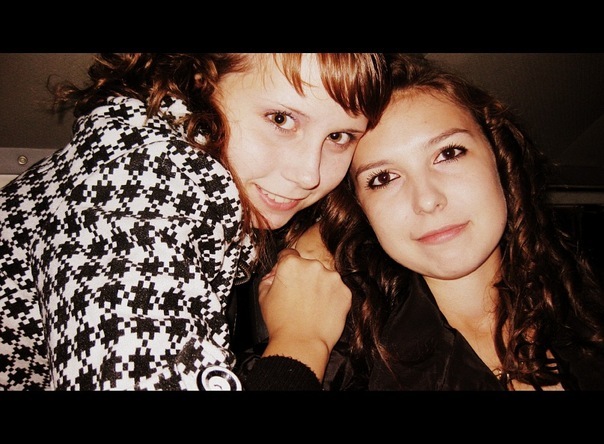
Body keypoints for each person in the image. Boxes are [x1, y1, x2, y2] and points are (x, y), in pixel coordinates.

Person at [0, 53, 391, 390]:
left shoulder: (157, 154)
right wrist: (303, 340)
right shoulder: (143, 179)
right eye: (280, 118)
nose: (309, 175)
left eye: (339, 136)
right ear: (202, 80)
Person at [245, 53, 604, 390]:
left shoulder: (586, 313)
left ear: (499, 157)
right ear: (360, 208)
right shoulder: (337, 360)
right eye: (383, 178)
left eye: (448, 153)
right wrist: (301, 343)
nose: (427, 200)